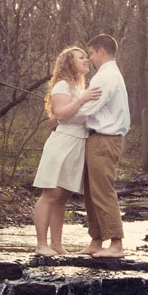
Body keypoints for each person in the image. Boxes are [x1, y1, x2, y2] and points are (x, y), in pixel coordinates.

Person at [31, 46, 102, 256]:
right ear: (69, 63)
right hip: (62, 144)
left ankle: (57, 244)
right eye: (81, 58)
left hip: (77, 144)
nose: (86, 60)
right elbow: (61, 114)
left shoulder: (79, 86)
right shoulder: (62, 85)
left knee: (61, 198)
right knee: (49, 195)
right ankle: (41, 245)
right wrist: (82, 100)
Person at [77, 34, 130, 258]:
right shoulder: (107, 75)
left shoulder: (106, 76)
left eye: (90, 53)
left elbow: (88, 108)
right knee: (91, 191)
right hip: (97, 138)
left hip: (104, 139)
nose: (89, 58)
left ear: (101, 51)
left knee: (103, 191)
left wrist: (63, 114)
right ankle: (96, 240)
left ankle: (116, 244)